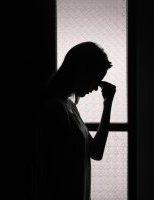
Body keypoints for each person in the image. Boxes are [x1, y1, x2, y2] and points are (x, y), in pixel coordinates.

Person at [34, 42, 116, 200]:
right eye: (95, 80)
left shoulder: (69, 107)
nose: (94, 88)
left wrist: (108, 103)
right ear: (82, 72)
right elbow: (52, 175)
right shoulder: (56, 110)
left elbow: (96, 152)